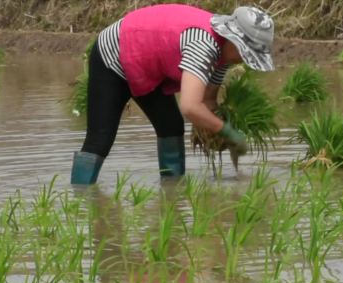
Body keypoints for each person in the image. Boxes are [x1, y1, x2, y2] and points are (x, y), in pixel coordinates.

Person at [71, 4, 275, 184]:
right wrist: (227, 131)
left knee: (171, 127)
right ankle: (80, 202)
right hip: (113, 56)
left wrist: (215, 133)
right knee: (100, 139)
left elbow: (207, 100)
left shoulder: (224, 56)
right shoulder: (203, 44)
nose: (245, 60)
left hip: (147, 66)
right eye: (246, 53)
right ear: (233, 40)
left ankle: (172, 192)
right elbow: (190, 106)